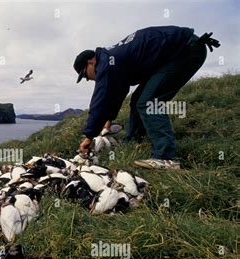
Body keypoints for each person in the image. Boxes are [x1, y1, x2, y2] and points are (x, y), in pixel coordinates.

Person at [74, 26, 220, 169]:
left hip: (186, 51)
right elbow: (116, 93)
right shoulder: (110, 59)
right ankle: (134, 141)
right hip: (178, 52)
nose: (88, 79)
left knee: (149, 102)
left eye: (85, 75)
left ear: (91, 63)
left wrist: (89, 136)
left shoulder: (106, 64)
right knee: (138, 100)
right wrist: (109, 119)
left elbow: (100, 100)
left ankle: (165, 158)